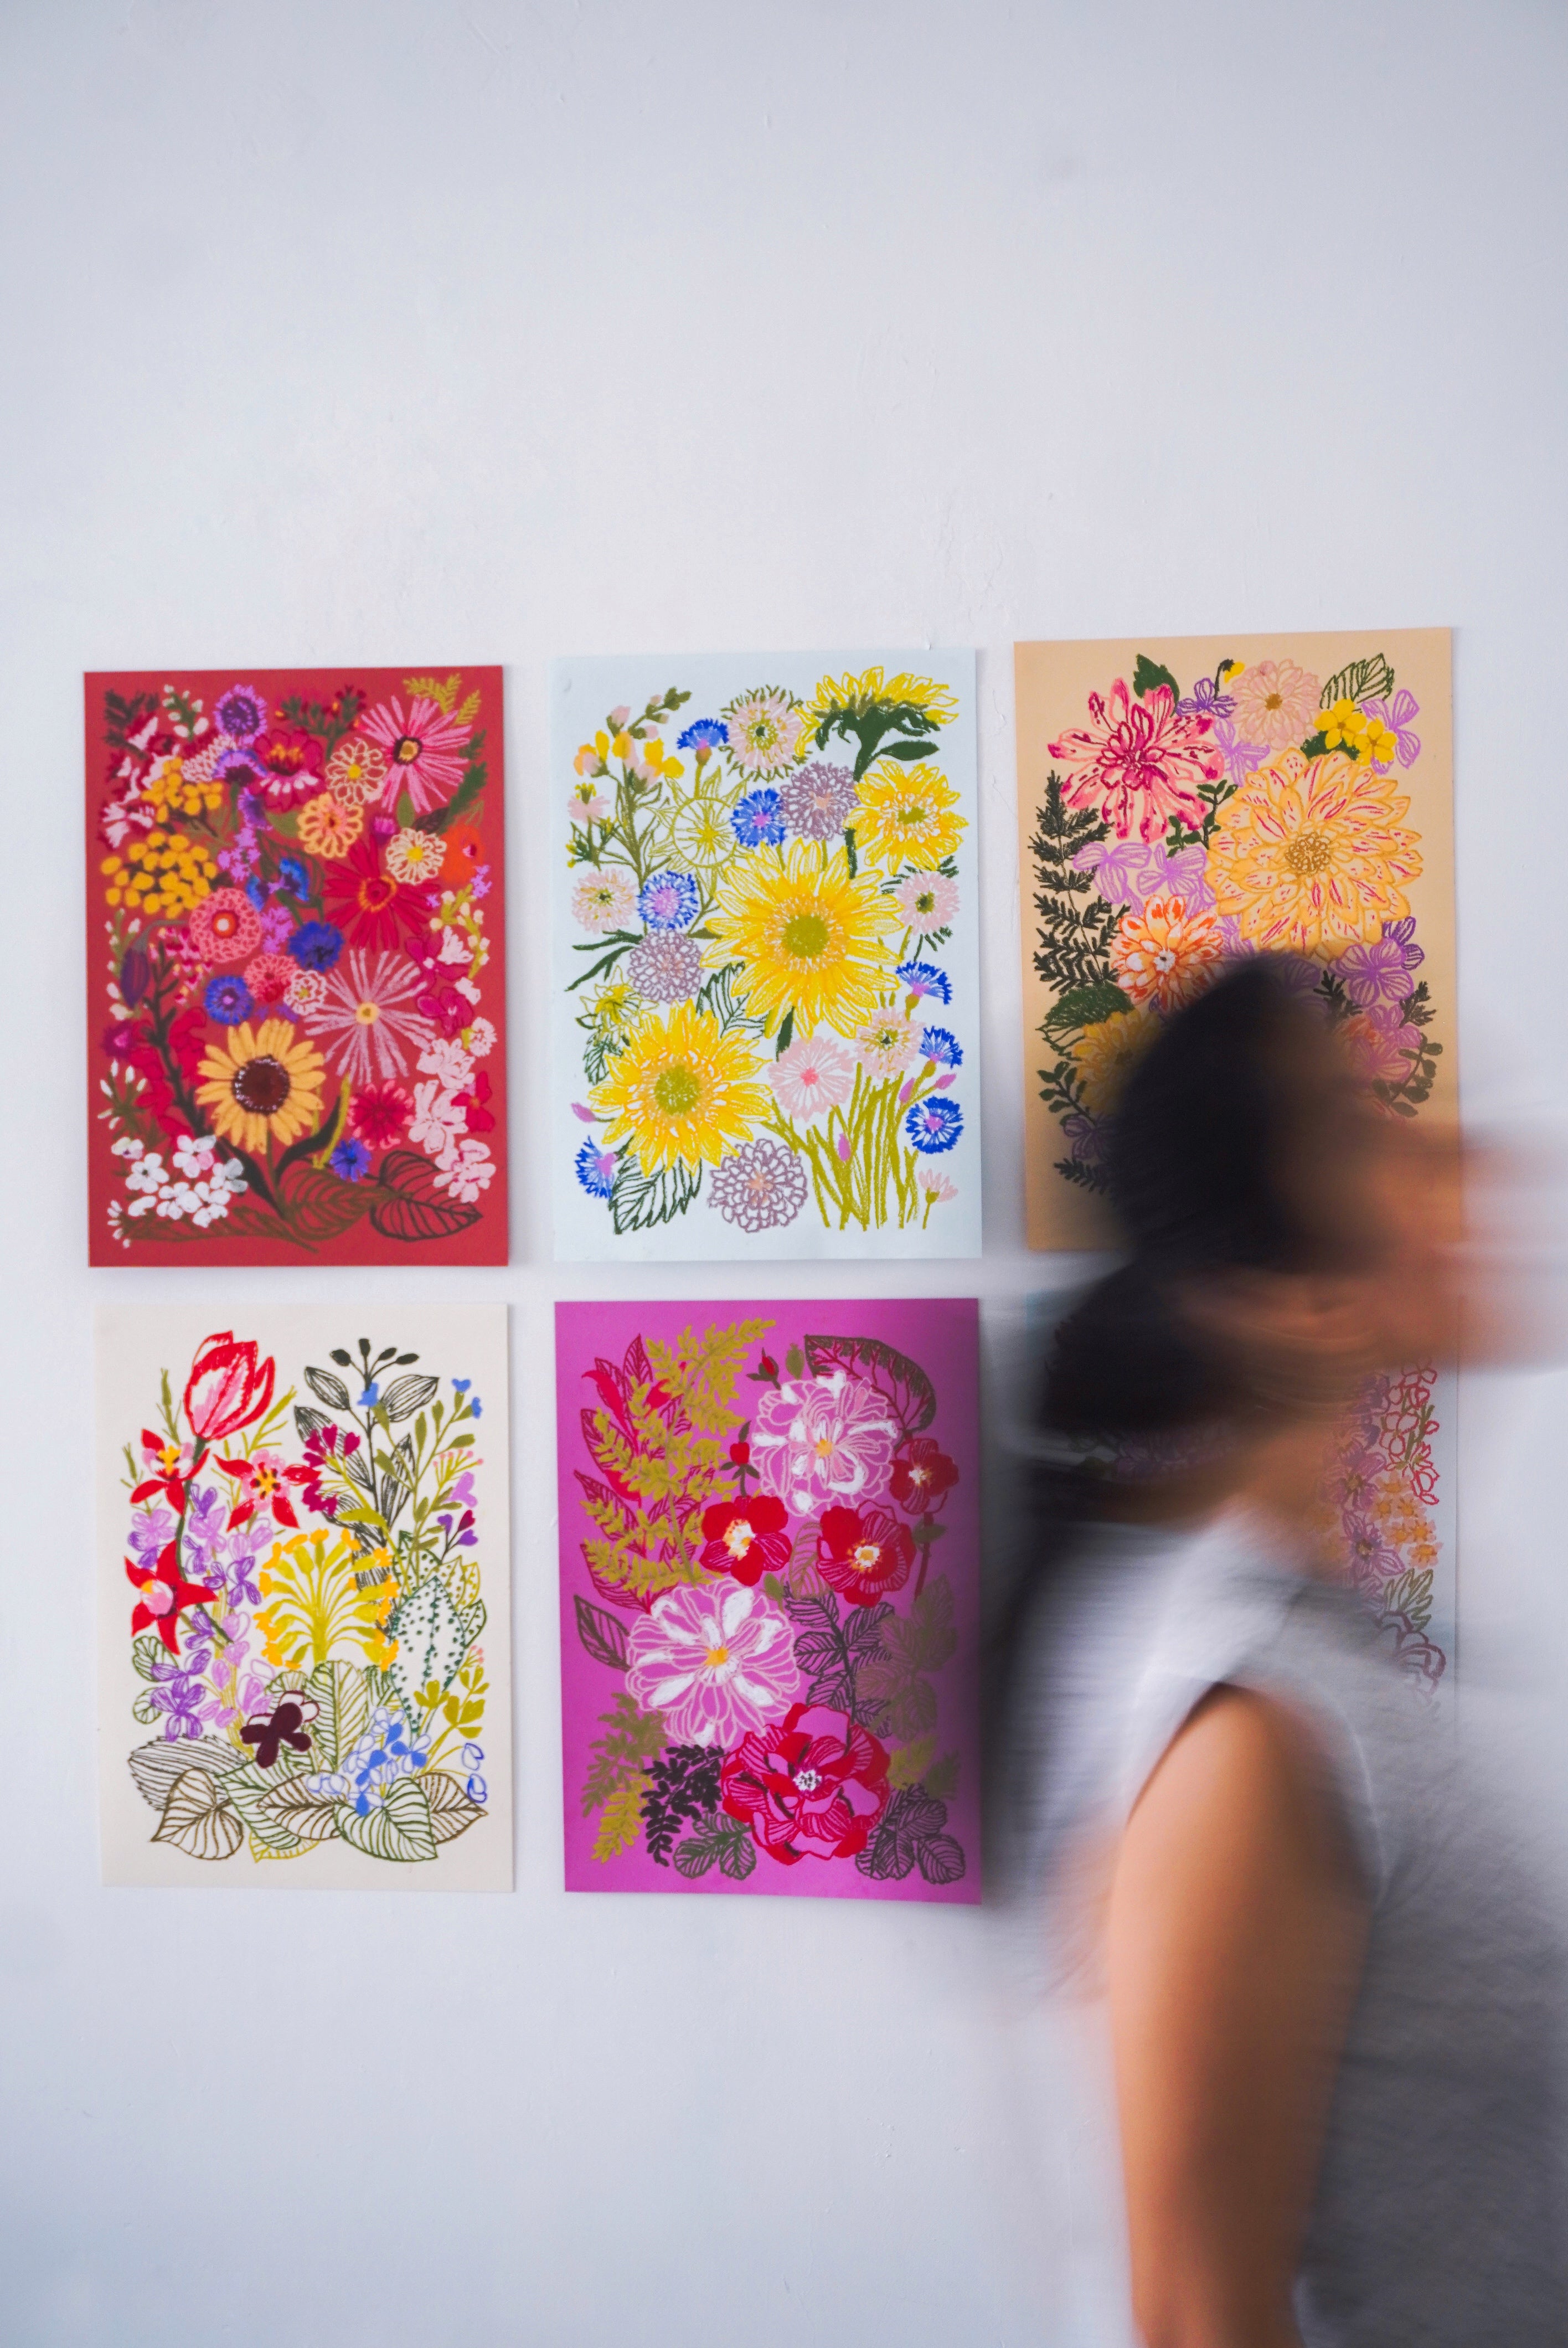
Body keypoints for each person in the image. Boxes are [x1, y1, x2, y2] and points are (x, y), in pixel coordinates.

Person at [994, 956, 1566, 2348]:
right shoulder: (1250, 1723)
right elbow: (1200, 2322)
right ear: (1293, 1300)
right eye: (1367, 1125)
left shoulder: (1330, 1663)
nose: (1462, 1153)